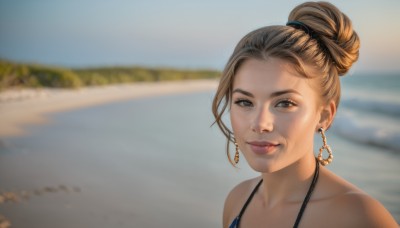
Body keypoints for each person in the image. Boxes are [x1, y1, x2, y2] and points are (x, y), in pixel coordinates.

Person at [212, 1, 398, 227]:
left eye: (284, 103)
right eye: (244, 101)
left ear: (324, 115)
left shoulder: (360, 217)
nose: (260, 124)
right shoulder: (237, 200)